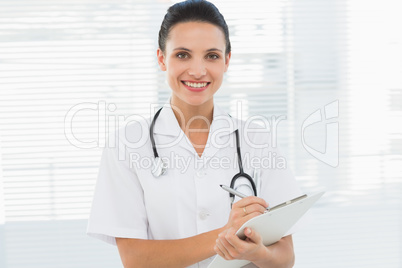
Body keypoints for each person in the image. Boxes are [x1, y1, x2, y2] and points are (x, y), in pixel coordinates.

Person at [87, 0, 302, 267]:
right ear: (162, 59)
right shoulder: (126, 145)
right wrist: (227, 234)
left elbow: (285, 258)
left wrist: (257, 252)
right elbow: (135, 259)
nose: (198, 71)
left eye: (212, 55)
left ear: (227, 61)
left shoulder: (257, 141)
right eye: (182, 55)